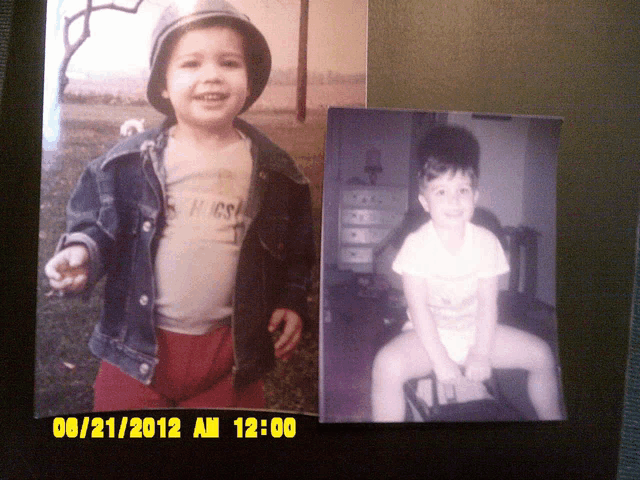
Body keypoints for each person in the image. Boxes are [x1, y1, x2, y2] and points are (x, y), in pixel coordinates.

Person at [44, 0, 314, 411]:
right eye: (191, 64)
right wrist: (82, 251)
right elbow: (102, 225)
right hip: (135, 353)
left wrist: (291, 300)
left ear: (250, 79)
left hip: (229, 358)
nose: (212, 76)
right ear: (164, 84)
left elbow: (295, 249)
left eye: (229, 62)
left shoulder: (275, 172)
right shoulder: (128, 163)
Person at [370, 125, 562, 421]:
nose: (453, 200)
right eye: (441, 191)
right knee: (386, 365)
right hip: (427, 336)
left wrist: (481, 353)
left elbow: (488, 304)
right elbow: (418, 310)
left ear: (475, 196)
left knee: (542, 355)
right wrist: (440, 359)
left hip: (477, 333)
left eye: (462, 190)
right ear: (425, 202)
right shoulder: (416, 246)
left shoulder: (487, 243)